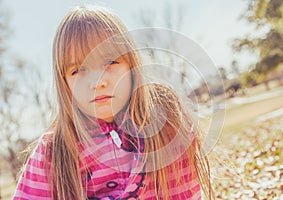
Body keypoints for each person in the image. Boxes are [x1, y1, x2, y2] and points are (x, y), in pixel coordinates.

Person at [13, 5, 214, 200]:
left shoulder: (165, 121)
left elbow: (185, 193)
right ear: (64, 83)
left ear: (131, 64)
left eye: (110, 63)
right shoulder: (55, 151)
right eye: (77, 71)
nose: (98, 82)